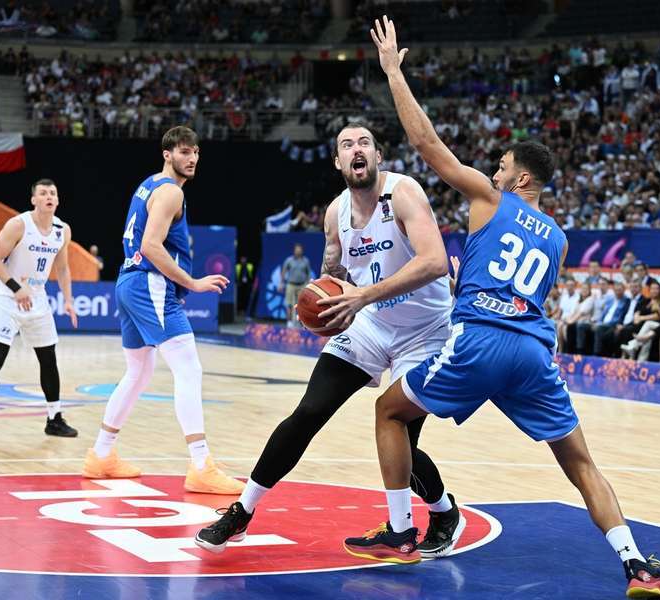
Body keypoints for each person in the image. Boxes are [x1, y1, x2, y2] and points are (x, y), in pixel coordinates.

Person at [341, 18, 660, 599]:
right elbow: (517, 281)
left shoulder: (487, 197)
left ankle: (400, 531)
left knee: (389, 412)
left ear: (519, 176)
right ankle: (637, 565)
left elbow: (424, 145)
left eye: (500, 165)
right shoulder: (558, 237)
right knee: (580, 464)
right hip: (532, 350)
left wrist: (394, 70)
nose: (493, 170)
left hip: (479, 339)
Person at [195, 122, 463, 559]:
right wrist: (319, 309)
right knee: (308, 412)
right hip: (369, 324)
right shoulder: (336, 213)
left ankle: (440, 512)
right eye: (346, 145)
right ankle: (242, 512)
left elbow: (436, 263)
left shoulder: (404, 193)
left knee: (403, 442)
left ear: (377, 158)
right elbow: (333, 275)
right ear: (338, 162)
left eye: (365, 143)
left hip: (426, 331)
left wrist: (362, 296)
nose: (357, 149)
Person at [82, 126, 243, 494]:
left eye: (196, 152)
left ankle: (101, 455)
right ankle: (201, 464)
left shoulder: (150, 184)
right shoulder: (170, 192)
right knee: (189, 368)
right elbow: (152, 246)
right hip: (148, 283)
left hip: (130, 281)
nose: (192, 159)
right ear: (167, 153)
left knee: (139, 371)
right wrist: (192, 282)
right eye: (184, 152)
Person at [0, 179, 79, 442]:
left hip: (37, 300)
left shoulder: (63, 230)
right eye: (43, 193)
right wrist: (17, 288)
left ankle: (54, 418)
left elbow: (62, 268)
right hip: (8, 297)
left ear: (58, 201)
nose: (49, 196)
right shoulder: (19, 224)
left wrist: (69, 300)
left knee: (49, 359)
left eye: (53, 193)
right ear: (34, 200)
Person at [279, 243, 311, 327]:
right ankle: (289, 322)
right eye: (296, 250)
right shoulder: (289, 260)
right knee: (289, 304)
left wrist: (308, 285)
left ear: (302, 251)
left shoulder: (306, 261)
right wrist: (281, 283)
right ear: (294, 251)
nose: (298, 252)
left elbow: (308, 274)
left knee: (302, 305)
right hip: (291, 285)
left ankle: (301, 322)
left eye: (299, 250)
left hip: (302, 285)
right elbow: (284, 271)